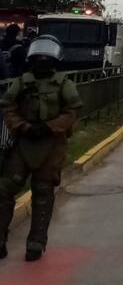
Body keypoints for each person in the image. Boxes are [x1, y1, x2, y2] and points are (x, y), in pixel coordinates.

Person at [0, 35, 83, 261]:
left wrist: (49, 127)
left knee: (43, 193)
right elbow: (8, 106)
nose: (43, 60)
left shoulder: (64, 84)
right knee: (5, 190)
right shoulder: (22, 82)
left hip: (50, 146)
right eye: (39, 56)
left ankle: (36, 243)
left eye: (48, 56)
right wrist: (22, 126)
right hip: (22, 143)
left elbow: (72, 112)